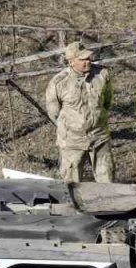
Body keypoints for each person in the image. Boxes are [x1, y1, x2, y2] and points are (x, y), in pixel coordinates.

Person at [44, 41, 114, 182]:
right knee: (72, 184)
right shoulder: (59, 83)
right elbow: (54, 113)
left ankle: (109, 204)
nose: (87, 61)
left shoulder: (102, 75)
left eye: (88, 58)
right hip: (72, 141)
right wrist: (73, 126)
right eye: (82, 59)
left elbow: (107, 102)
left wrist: (98, 120)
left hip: (99, 137)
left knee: (107, 180)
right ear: (71, 61)